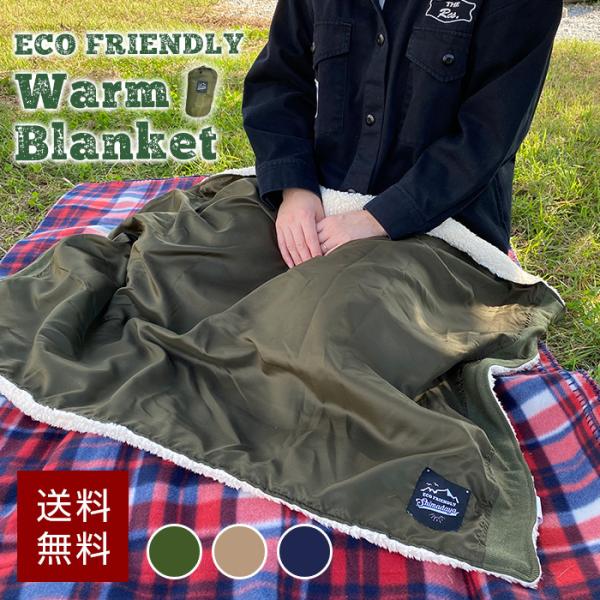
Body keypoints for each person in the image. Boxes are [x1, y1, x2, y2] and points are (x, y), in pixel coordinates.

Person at [241, 0, 563, 267]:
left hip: (441, 227)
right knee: (221, 255)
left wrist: (378, 219)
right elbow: (279, 81)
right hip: (321, 197)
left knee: (347, 313)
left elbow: (487, 135)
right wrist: (295, 189)